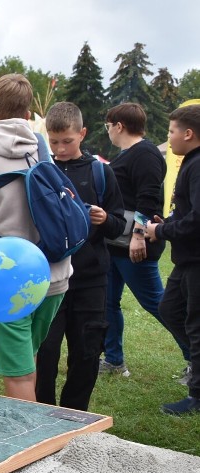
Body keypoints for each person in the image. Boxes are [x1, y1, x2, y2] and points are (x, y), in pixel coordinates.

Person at [0, 74, 71, 402]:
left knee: (19, 377)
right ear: (27, 112)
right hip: (55, 274)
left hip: (7, 281)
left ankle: (29, 448)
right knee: (28, 359)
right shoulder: (43, 149)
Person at [35, 102, 126, 411]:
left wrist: (105, 219)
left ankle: (74, 415)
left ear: (82, 134)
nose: (60, 148)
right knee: (44, 351)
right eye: (54, 141)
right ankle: (44, 413)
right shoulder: (41, 172)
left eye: (67, 141)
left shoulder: (101, 172)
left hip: (91, 279)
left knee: (86, 353)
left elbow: (119, 224)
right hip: (49, 278)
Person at [102, 103, 191, 379]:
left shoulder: (145, 154)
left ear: (119, 126)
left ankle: (195, 360)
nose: (108, 132)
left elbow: (148, 198)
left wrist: (138, 236)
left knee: (159, 304)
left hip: (134, 246)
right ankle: (114, 361)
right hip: (114, 243)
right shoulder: (128, 154)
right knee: (107, 303)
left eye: (108, 127)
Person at [145, 104, 200, 414]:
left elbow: (197, 219)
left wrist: (162, 231)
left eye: (171, 131)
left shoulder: (198, 164)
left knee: (195, 324)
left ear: (188, 133)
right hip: (186, 260)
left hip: (196, 260)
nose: (169, 137)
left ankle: (197, 396)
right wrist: (164, 223)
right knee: (169, 308)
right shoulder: (191, 162)